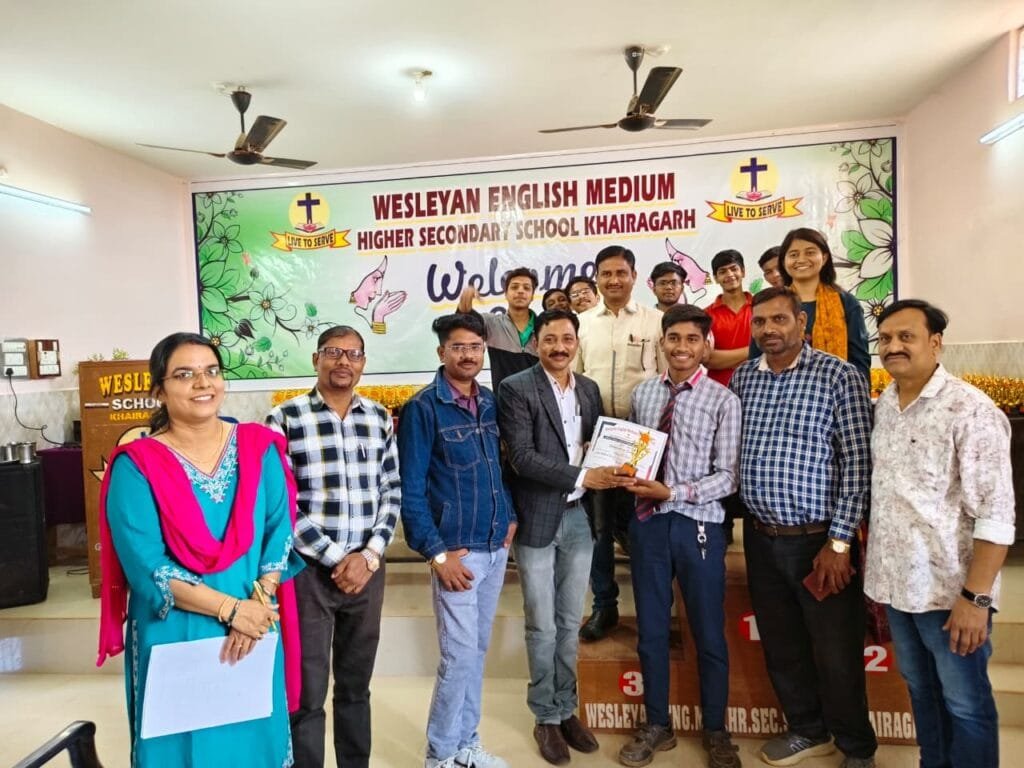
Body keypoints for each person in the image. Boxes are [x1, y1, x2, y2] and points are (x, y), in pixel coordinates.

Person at [97, 332, 302, 767]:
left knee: (253, 742)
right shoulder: (137, 465)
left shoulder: (258, 447)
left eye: (211, 371)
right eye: (184, 374)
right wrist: (231, 610)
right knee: (182, 748)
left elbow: (279, 530)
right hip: (175, 628)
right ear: (159, 390)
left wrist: (256, 605)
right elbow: (147, 566)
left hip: (255, 621)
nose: (202, 383)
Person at [730, 287, 877, 768]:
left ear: (802, 324)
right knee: (782, 644)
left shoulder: (839, 376)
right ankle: (808, 730)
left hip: (819, 542)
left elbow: (858, 465)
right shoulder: (744, 378)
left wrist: (839, 542)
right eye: (760, 322)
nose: (768, 329)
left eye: (779, 319)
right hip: (761, 537)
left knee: (836, 653)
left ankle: (857, 747)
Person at [865, 299, 1015, 768]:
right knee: (921, 691)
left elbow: (996, 514)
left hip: (950, 593)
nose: (893, 346)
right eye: (885, 339)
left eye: (905, 336)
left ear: (935, 343)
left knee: (966, 704)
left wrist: (976, 598)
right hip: (897, 586)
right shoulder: (885, 406)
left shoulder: (970, 410)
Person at [267, 325, 401, 768]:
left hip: (368, 573)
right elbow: (280, 503)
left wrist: (370, 555)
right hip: (308, 573)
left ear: (363, 363)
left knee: (355, 686)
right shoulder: (285, 418)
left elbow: (391, 491)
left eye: (353, 354)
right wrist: (339, 558)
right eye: (333, 352)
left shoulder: (379, 418)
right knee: (307, 692)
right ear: (316, 359)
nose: (344, 361)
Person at [498, 309, 625, 765]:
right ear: (537, 344)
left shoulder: (588, 389)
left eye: (567, 339)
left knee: (571, 622)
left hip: (579, 518)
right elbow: (522, 458)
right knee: (542, 624)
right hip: (537, 518)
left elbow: (598, 443)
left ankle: (567, 708)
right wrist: (584, 474)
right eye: (549, 339)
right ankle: (545, 716)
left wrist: (607, 459)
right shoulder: (515, 388)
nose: (558, 347)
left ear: (577, 342)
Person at [619, 305, 742, 768]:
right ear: (661, 343)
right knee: (651, 630)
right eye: (674, 338)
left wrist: (674, 492)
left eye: (692, 339)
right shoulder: (645, 394)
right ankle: (657, 724)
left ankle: (716, 730)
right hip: (649, 523)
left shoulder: (722, 400)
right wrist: (624, 472)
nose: (682, 347)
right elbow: (639, 454)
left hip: (699, 524)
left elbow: (728, 476)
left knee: (708, 631)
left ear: (706, 346)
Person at [398, 312, 518, 768]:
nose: (468, 355)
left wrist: (509, 516)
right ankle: (441, 754)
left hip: (494, 545)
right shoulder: (423, 408)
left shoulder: (489, 401)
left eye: (475, 347)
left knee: (475, 652)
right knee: (459, 655)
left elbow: (497, 469)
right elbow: (411, 490)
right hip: (457, 553)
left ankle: (467, 742)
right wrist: (436, 553)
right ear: (441, 352)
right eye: (458, 347)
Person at [575, 245, 664, 641]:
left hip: (643, 436)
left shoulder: (654, 321)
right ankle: (604, 605)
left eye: (621, 273)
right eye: (606, 273)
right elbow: (575, 379)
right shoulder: (582, 324)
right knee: (599, 529)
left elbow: (666, 379)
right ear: (597, 277)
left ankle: (652, 610)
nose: (613, 280)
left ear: (634, 276)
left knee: (643, 525)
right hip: (597, 438)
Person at [777, 227, 871, 382]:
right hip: (779, 391)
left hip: (835, 391)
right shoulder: (772, 304)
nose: (801, 259)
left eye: (810, 252)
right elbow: (757, 357)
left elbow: (859, 361)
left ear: (825, 257)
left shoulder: (846, 302)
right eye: (793, 254)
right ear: (783, 261)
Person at [458, 266, 538, 391]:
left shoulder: (543, 327)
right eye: (514, 287)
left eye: (526, 288)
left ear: (532, 296)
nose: (520, 291)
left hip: (538, 400)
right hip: (503, 400)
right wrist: (465, 301)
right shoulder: (491, 323)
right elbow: (464, 323)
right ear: (505, 294)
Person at [705, 249, 753, 387]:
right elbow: (708, 359)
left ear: (743, 272)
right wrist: (756, 350)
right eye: (723, 271)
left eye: (734, 269)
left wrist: (726, 359)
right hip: (719, 389)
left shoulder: (762, 308)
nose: (729, 275)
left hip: (758, 387)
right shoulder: (705, 315)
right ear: (715, 278)